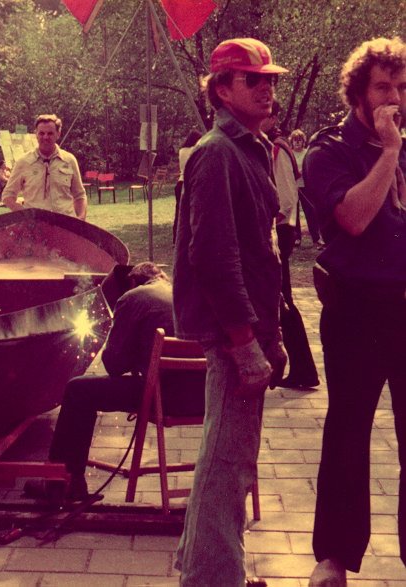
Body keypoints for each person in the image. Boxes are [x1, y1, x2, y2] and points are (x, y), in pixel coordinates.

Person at [172, 38, 288, 586]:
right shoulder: (217, 152)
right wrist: (244, 343)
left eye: (271, 79)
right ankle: (213, 579)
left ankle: (210, 568)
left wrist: (273, 333)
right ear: (221, 89)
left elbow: (262, 252)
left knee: (228, 457)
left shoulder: (252, 148)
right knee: (226, 461)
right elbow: (214, 257)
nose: (267, 88)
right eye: (252, 79)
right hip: (231, 334)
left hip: (251, 328)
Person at [303, 37, 406, 587]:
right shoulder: (329, 151)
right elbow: (355, 218)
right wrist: (388, 152)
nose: (395, 99)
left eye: (402, 88)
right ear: (358, 93)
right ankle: (334, 557)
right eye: (383, 87)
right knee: (348, 432)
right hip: (357, 311)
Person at [48, 262, 204, 500]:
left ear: (132, 281)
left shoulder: (132, 297)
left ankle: (62, 484)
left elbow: (113, 365)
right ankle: (65, 482)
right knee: (88, 389)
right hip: (201, 400)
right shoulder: (178, 292)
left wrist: (125, 340)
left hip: (164, 398)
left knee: (78, 390)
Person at [262, 102, 319, 389]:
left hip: (279, 231)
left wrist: (266, 222)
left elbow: (285, 198)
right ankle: (300, 369)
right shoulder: (266, 145)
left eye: (266, 114)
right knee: (278, 301)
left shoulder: (278, 149)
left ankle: (303, 370)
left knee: (282, 302)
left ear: (273, 118)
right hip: (276, 230)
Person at [2, 114, 87, 220]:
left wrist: (81, 218)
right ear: (36, 134)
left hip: (65, 224)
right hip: (36, 225)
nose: (45, 137)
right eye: (41, 133)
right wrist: (26, 215)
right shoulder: (23, 162)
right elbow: (8, 196)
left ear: (58, 134)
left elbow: (80, 195)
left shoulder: (69, 160)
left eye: (50, 133)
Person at [289, 129, 323, 248]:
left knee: (310, 212)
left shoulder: (307, 152)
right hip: (293, 187)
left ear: (303, 141)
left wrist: (304, 170)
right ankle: (297, 238)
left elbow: (312, 167)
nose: (297, 142)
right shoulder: (289, 153)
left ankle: (316, 238)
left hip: (306, 187)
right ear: (292, 142)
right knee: (294, 213)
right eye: (295, 140)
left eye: (299, 140)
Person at [173, 130, 203, 242]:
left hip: (180, 182)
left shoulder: (182, 151)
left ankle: (175, 237)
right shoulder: (195, 150)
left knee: (179, 212)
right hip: (189, 183)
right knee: (191, 212)